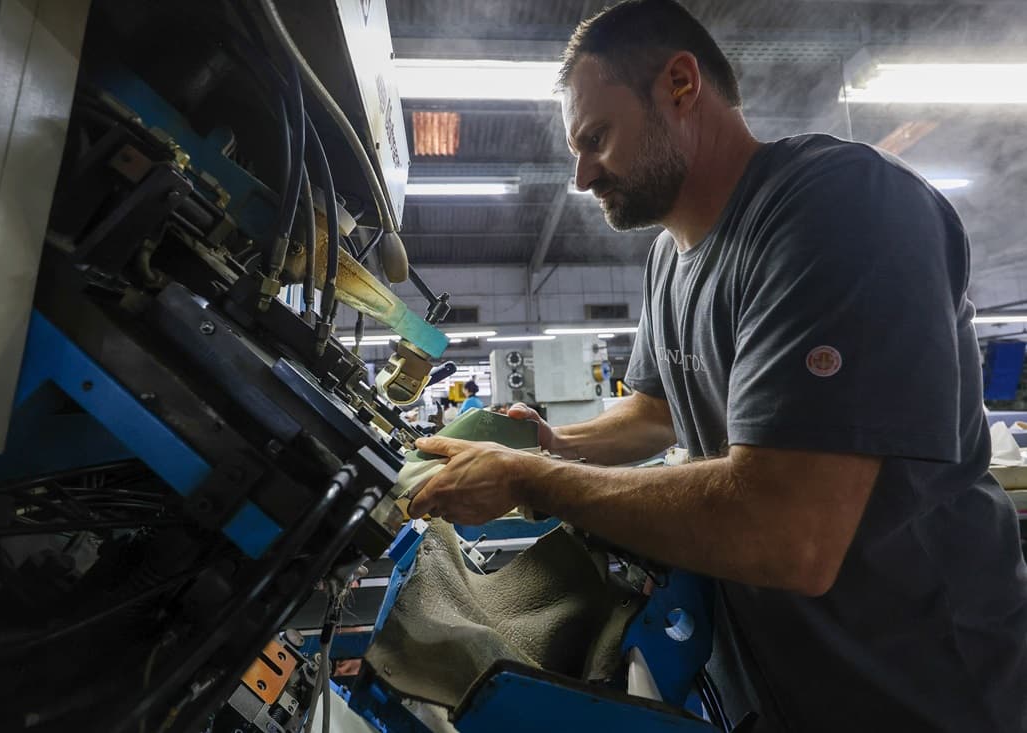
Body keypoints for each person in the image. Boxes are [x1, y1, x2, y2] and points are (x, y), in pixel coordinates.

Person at [407, 2, 1027, 731]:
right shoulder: (671, 258)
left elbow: (788, 530)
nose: (580, 175)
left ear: (679, 84)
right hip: (782, 674)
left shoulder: (837, 207)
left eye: (596, 138)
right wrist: (557, 444)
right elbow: (655, 409)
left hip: (919, 681)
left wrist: (533, 481)